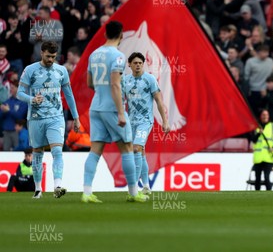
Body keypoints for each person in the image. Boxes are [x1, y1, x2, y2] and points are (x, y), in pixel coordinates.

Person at [81, 21, 147, 203]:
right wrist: (120, 112)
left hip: (95, 107)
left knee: (95, 150)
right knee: (126, 147)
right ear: (121, 35)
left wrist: (101, 91)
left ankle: (86, 193)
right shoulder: (118, 56)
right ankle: (134, 193)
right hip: (111, 108)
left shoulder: (94, 54)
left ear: (105, 35)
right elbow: (116, 85)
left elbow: (89, 83)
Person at [17, 41, 80, 199]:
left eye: (53, 56)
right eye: (48, 56)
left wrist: (76, 117)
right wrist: (32, 99)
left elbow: (69, 95)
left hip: (56, 118)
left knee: (57, 150)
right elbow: (19, 93)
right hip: (36, 118)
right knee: (38, 153)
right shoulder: (30, 70)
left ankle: (57, 186)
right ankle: (38, 189)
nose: (51, 59)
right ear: (41, 53)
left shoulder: (61, 71)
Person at [122, 52, 170, 195]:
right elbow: (121, 101)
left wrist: (165, 121)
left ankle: (134, 187)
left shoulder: (149, 79)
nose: (138, 65)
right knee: (140, 152)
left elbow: (159, 101)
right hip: (131, 122)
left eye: (140, 63)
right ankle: (147, 186)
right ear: (129, 64)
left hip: (145, 121)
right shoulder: (125, 81)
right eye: (135, 63)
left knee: (136, 148)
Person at [249, 109, 273, 191]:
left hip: (268, 157)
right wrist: (259, 133)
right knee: (257, 179)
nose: (265, 116)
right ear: (260, 116)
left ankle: (268, 196)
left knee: (267, 177)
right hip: (258, 158)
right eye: (263, 115)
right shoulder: (256, 127)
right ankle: (257, 196)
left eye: (266, 115)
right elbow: (253, 140)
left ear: (269, 116)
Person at [1, 80, 27, 151]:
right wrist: (2, 111)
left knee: (18, 152)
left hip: (17, 132)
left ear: (18, 88)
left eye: (12, 88)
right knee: (5, 154)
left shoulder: (23, 102)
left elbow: (20, 116)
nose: (10, 90)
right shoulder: (7, 101)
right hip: (6, 132)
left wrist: (8, 111)